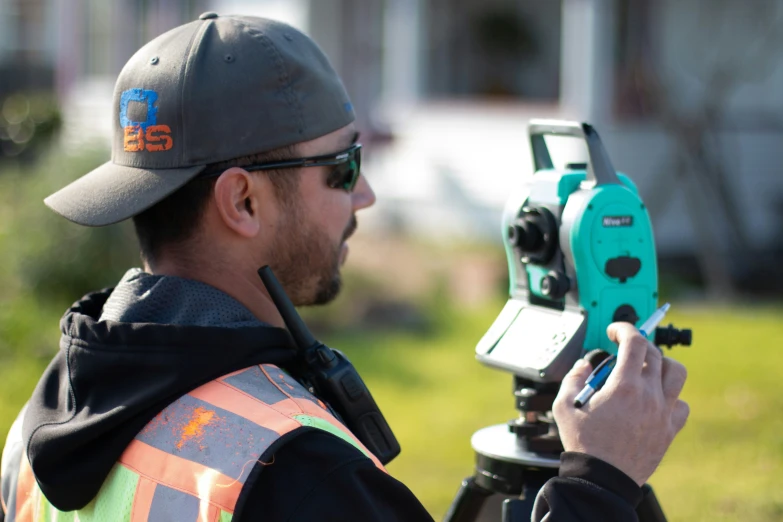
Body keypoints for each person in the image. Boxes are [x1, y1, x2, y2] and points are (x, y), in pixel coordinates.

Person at [0, 13, 689, 522]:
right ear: (242, 199)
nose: (365, 194)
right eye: (344, 166)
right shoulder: (290, 469)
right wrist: (599, 484)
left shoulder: (43, 421)